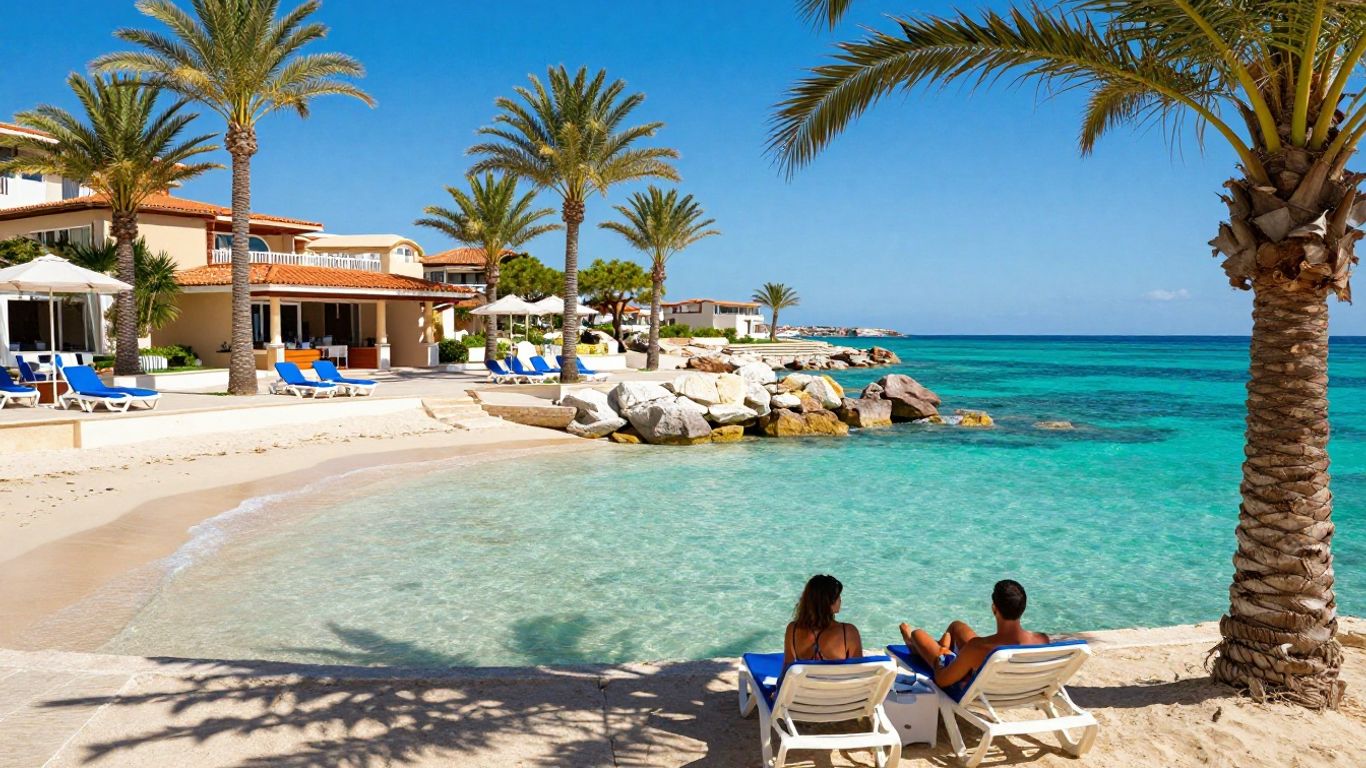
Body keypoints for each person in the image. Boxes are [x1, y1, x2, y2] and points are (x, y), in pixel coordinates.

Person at [899, 579, 1049, 690]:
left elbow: (942, 680)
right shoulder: (1042, 640)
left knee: (918, 634)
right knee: (957, 627)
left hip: (979, 688)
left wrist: (941, 656)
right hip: (1014, 687)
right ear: (1022, 608)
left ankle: (920, 646)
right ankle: (936, 646)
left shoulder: (977, 648)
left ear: (994, 608)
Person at [784, 574, 863, 665]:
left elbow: (787, 670)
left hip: (805, 679)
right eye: (837, 596)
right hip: (836, 679)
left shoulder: (793, 630)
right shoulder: (848, 632)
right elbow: (858, 673)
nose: (840, 600)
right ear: (827, 602)